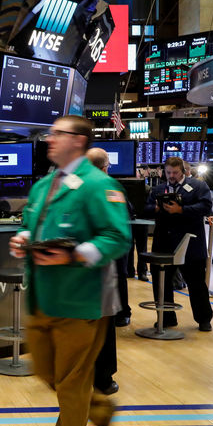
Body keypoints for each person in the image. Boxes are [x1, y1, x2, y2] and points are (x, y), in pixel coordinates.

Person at [10, 116, 131, 426]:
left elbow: (117, 235)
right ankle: (99, 409)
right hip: (43, 300)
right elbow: (37, 225)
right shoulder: (45, 184)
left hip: (81, 302)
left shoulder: (99, 185)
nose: (50, 139)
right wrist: (24, 238)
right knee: (48, 374)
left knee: (71, 383)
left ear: (78, 141)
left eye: (58, 134)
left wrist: (76, 254)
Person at [144, 156, 213, 331]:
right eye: (168, 172)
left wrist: (181, 210)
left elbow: (205, 207)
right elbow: (145, 209)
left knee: (196, 283)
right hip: (163, 243)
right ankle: (166, 318)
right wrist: (156, 208)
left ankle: (204, 319)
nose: (172, 176)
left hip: (190, 243)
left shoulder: (198, 186)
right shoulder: (158, 189)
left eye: (175, 172)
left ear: (183, 171)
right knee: (162, 283)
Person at [86, 148, 126, 396]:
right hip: (99, 272)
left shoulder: (70, 187)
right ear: (105, 167)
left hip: (73, 276)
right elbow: (119, 234)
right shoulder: (109, 188)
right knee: (103, 328)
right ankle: (103, 378)